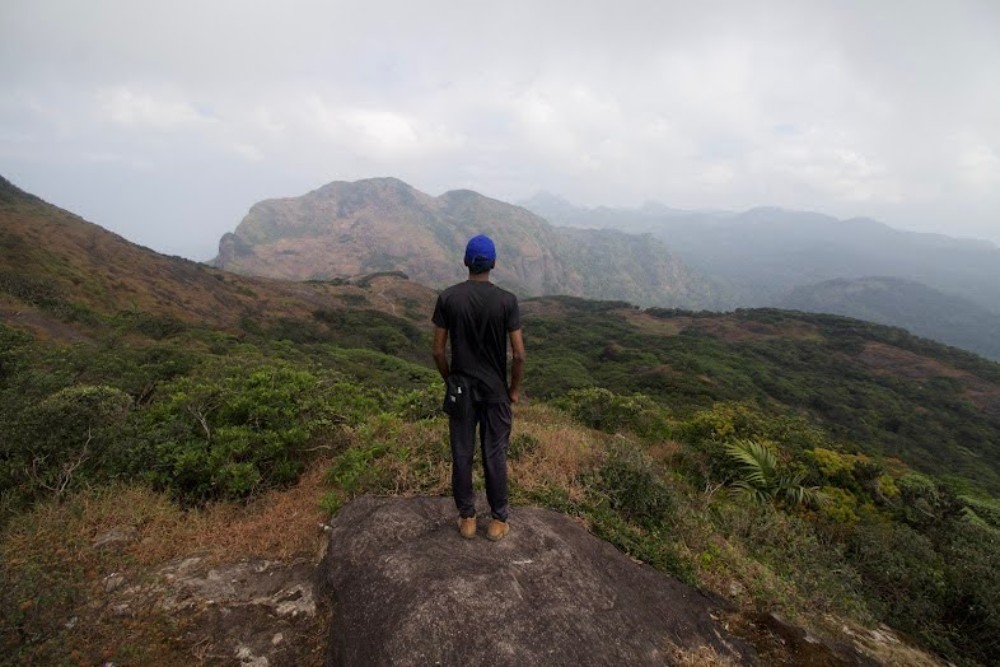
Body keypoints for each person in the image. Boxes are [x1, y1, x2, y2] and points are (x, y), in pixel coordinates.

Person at [432, 234, 525, 541]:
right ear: (494, 263)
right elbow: (519, 354)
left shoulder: (448, 298)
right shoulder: (507, 301)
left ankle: (468, 518)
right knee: (494, 453)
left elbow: (437, 351)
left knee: (461, 452)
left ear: (466, 262)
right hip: (496, 390)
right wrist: (513, 390)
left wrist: (450, 380)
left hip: (461, 389)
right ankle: (498, 520)